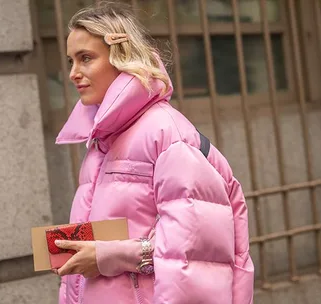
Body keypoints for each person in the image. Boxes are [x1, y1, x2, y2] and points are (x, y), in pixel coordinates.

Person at [53, 2, 254, 304]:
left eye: (86, 59)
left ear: (121, 57)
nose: (73, 73)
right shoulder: (102, 140)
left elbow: (194, 250)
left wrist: (108, 256)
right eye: (71, 61)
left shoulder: (165, 132)